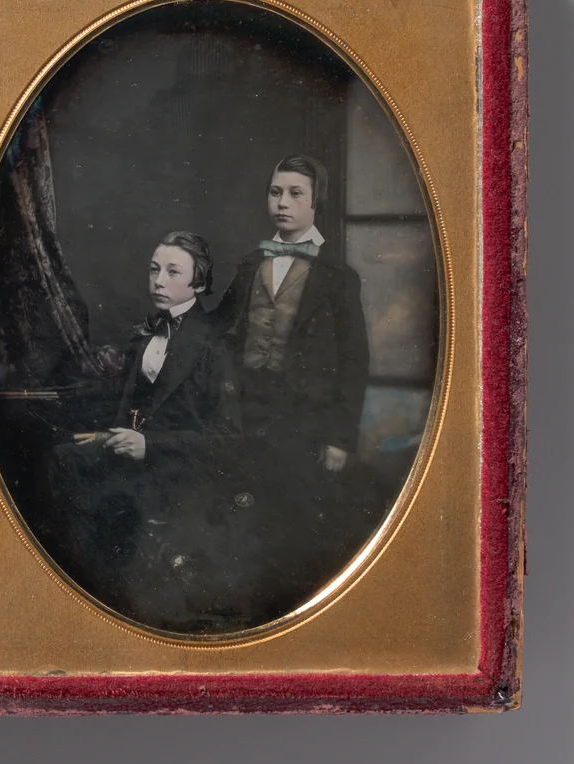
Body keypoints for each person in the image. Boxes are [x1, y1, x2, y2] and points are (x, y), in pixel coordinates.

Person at [39, 231, 243, 632]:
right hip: (139, 460)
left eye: (172, 272)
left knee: (108, 498)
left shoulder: (214, 346)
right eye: (154, 270)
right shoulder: (144, 336)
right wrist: (106, 435)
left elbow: (227, 440)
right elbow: (132, 410)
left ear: (198, 282)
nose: (158, 281)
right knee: (61, 460)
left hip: (181, 470)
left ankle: (121, 597)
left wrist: (150, 445)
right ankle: (85, 594)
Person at [215, 154, 373, 617]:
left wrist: (341, 437)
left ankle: (294, 616)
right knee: (246, 512)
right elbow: (218, 329)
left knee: (296, 518)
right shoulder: (249, 266)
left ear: (315, 202)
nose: (282, 203)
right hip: (248, 413)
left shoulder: (337, 278)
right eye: (275, 192)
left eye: (295, 194)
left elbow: (354, 362)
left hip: (304, 420)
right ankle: (248, 613)